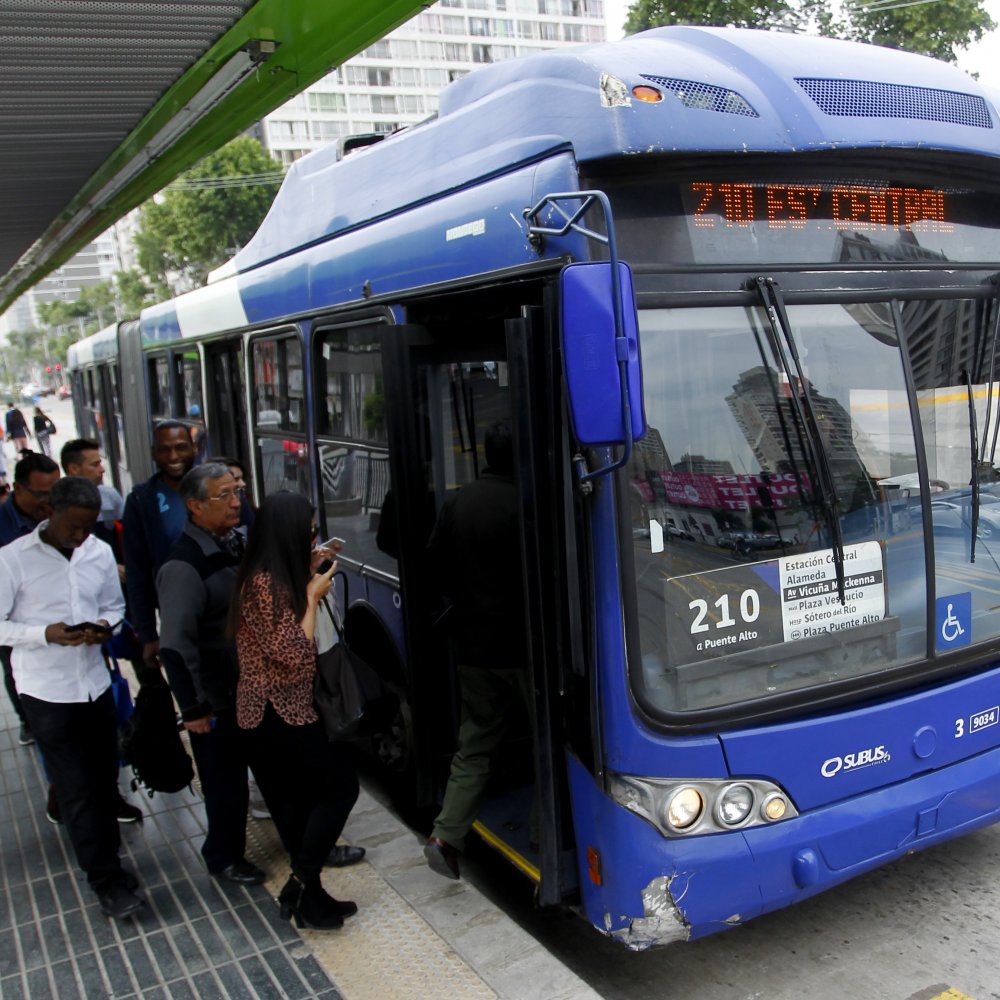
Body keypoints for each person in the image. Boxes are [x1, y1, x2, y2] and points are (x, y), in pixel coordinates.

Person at [0, 476, 143, 919]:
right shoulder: (12, 560)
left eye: (88, 527)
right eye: (74, 528)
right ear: (48, 513)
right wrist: (45, 634)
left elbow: (114, 607)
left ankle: (111, 865)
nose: (81, 536)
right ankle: (106, 881)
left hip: (94, 686)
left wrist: (102, 626)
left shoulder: (98, 552)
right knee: (77, 790)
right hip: (46, 693)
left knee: (103, 783)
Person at [232, 491, 361, 928]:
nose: (312, 537)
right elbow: (295, 653)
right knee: (339, 788)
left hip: (285, 712)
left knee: (301, 808)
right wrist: (311, 593)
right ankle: (303, 883)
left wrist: (307, 572)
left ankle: (311, 897)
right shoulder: (263, 584)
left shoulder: (273, 576)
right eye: (307, 531)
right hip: (275, 715)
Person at [423, 421, 532, 880]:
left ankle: (446, 833)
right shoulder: (529, 502)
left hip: (473, 647)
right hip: (527, 649)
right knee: (555, 740)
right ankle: (549, 832)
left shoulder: (459, 501)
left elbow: (435, 566)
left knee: (476, 742)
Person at [155, 462, 265, 886]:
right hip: (217, 698)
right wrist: (194, 708)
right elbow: (175, 647)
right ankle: (223, 855)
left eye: (237, 491)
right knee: (225, 782)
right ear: (195, 506)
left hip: (247, 685)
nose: (236, 502)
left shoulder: (230, 543)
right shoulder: (183, 566)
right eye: (225, 496)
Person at [122, 421, 197, 672]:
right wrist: (147, 633)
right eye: (164, 450)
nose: (173, 456)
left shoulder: (221, 488)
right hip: (177, 617)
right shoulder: (141, 501)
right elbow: (137, 571)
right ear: (154, 453)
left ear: (194, 448)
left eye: (181, 447)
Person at [0, 451, 60, 747]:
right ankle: (29, 721)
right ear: (18, 489)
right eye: (41, 494)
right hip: (15, 624)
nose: (48, 502)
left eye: (54, 493)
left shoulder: (58, 516)